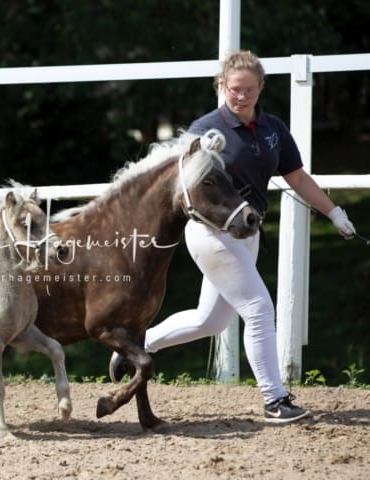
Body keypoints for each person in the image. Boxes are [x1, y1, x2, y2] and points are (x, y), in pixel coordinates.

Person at [109, 50, 356, 424]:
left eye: (250, 90)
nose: (242, 97)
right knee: (259, 310)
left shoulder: (273, 129)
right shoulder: (204, 130)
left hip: (248, 233)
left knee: (210, 322)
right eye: (235, 89)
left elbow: (297, 177)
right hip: (213, 234)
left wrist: (334, 213)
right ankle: (275, 400)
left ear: (260, 89)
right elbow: (182, 188)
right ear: (222, 86)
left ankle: (135, 345)